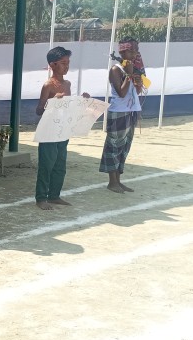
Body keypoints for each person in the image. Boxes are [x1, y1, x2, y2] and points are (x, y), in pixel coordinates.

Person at [35, 46, 90, 210]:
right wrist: (52, 102)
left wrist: (82, 100)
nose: (66, 66)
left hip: (62, 130)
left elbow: (69, 106)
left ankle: (54, 195)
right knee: (46, 165)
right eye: (63, 63)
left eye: (68, 63)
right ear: (52, 65)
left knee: (60, 165)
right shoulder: (48, 85)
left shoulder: (67, 84)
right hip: (49, 131)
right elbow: (39, 110)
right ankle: (41, 198)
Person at [100, 37, 143, 193]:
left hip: (131, 112)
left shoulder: (132, 68)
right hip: (118, 112)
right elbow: (122, 93)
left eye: (136, 51)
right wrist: (129, 75)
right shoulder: (116, 70)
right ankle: (112, 182)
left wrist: (138, 82)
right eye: (132, 51)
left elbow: (136, 92)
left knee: (124, 147)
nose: (135, 54)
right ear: (123, 51)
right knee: (114, 147)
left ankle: (118, 181)